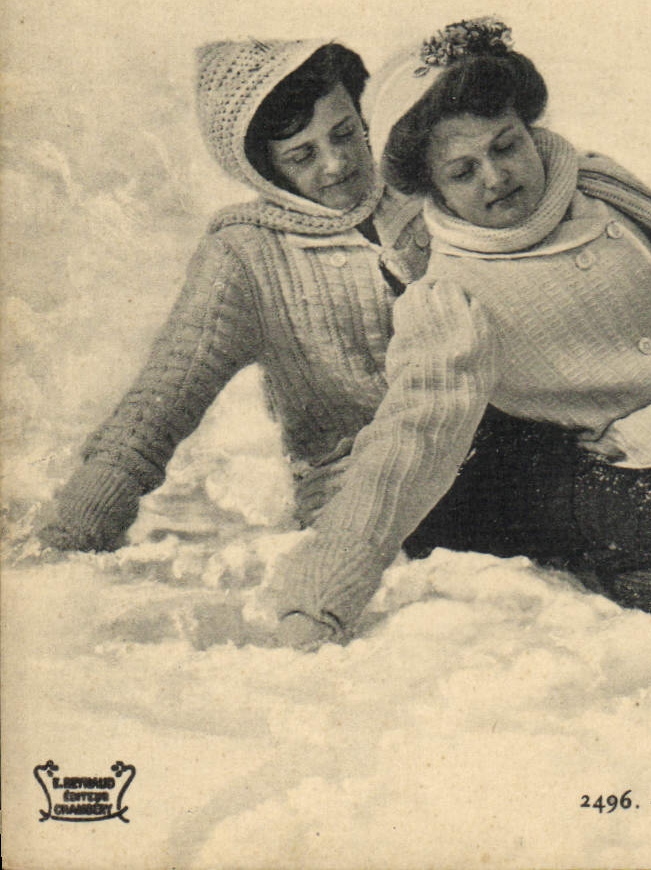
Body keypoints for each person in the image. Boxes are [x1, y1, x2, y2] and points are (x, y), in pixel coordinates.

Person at [266, 18, 651, 660]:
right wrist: (317, 602)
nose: (496, 177)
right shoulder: (449, 296)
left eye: (505, 147)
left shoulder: (598, 185)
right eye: (463, 170)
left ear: (530, 131)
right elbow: (409, 441)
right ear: (433, 188)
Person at [39, 38, 578, 566]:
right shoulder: (246, 255)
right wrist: (69, 536)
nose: (338, 164)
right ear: (263, 168)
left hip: (519, 458)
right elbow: (157, 408)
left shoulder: (429, 183)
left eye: (346, 133)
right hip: (372, 509)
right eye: (303, 155)